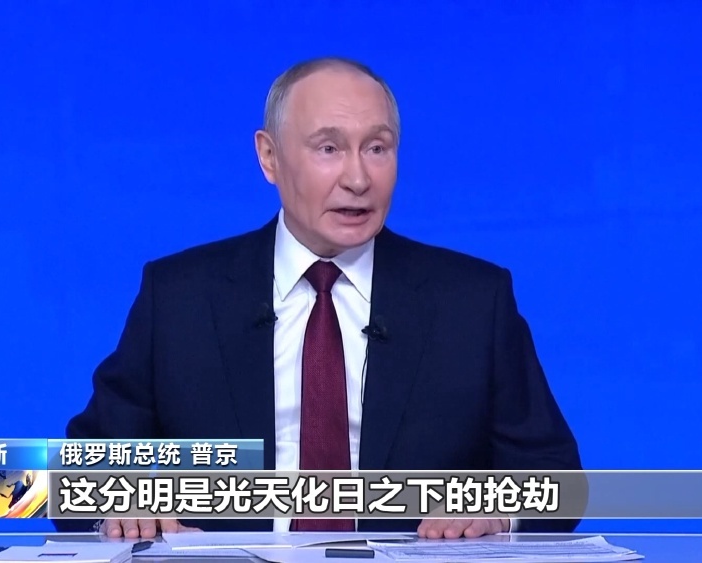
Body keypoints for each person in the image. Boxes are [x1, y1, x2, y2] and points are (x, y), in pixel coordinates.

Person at [57, 56, 583, 540]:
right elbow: (72, 480)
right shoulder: (180, 298)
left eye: (377, 148)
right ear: (269, 157)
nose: (358, 178)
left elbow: (559, 479)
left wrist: (497, 508)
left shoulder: (471, 302)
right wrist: (118, 506)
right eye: (329, 149)